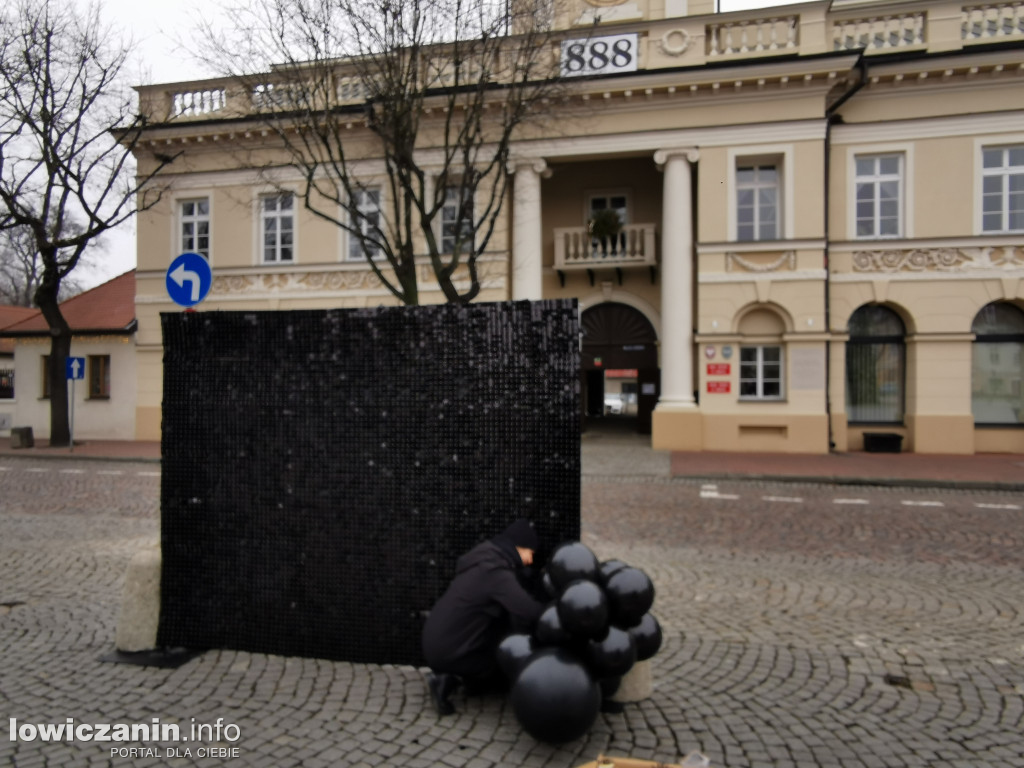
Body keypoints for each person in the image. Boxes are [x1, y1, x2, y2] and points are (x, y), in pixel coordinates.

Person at [422, 518, 544, 715]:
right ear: (518, 548)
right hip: (448, 651)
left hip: (436, 641)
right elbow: (527, 610)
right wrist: (552, 610)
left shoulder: (481, 560)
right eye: (529, 553)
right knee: (503, 661)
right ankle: (450, 679)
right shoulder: (495, 572)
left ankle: (468, 680)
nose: (530, 560)